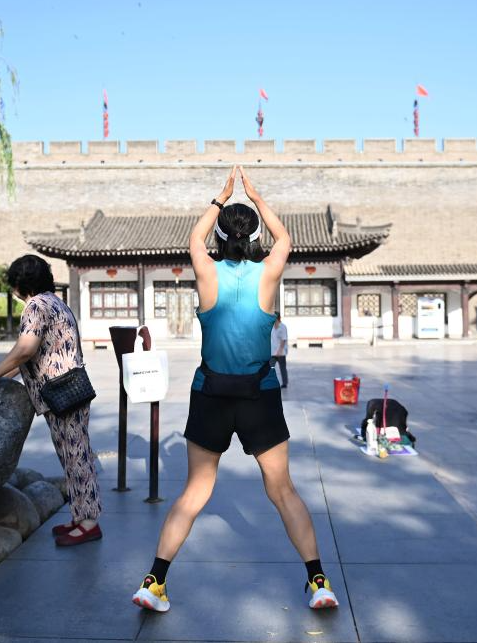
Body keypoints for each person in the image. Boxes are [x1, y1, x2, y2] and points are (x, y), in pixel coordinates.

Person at [132, 166, 338, 614]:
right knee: (283, 491)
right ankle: (318, 582)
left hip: (210, 393)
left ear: (221, 235)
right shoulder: (268, 273)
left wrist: (220, 197)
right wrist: (257, 197)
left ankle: (154, 582)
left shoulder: (206, 270)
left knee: (194, 493)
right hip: (258, 394)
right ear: (254, 234)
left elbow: (194, 237)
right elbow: (284, 240)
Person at [0, 255, 102, 546]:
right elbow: (29, 358)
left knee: (77, 456)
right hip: (67, 390)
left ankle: (89, 523)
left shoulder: (36, 305)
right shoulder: (55, 301)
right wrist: (2, 374)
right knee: (72, 455)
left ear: (19, 283)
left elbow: (25, 349)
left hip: (61, 392)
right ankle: (80, 516)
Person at [271, 312, 289, 388]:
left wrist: (280, 350)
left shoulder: (283, 327)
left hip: (281, 352)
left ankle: (285, 383)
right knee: (271, 368)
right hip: (272, 352)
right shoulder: (271, 327)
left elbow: (283, 339)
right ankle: (271, 382)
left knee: (282, 368)